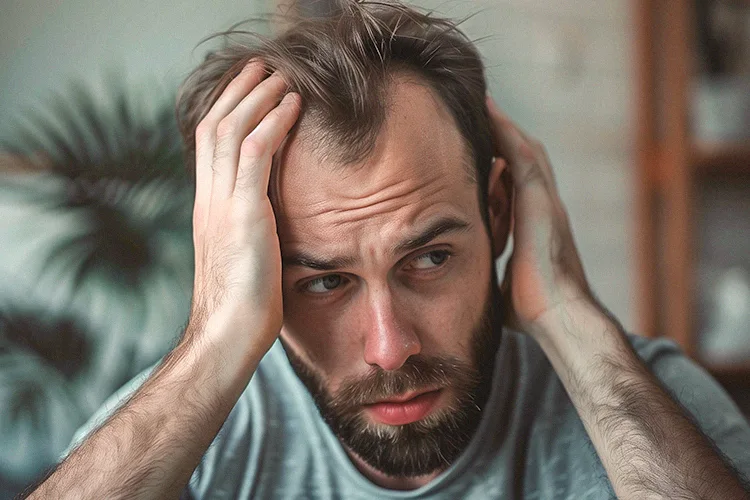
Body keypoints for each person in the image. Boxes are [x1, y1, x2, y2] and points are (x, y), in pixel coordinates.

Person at [27, 1, 750, 498]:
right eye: (323, 282)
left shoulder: (651, 406)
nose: (389, 349)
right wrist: (214, 339)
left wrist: (567, 314)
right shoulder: (193, 433)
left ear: (498, 213)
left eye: (429, 259)